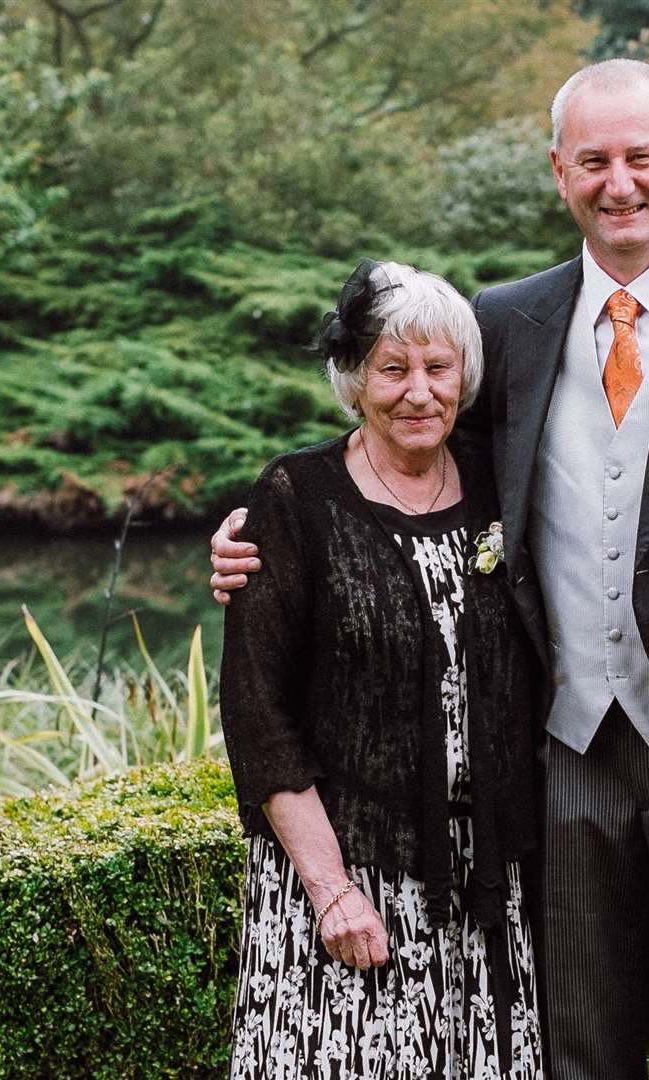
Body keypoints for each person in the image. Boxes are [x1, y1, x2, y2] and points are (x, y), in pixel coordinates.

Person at [215, 59, 649, 1078]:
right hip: (556, 748)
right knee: (569, 1038)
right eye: (594, 161)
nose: (620, 183)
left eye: (640, 159)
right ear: (559, 173)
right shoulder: (506, 324)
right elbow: (419, 457)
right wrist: (259, 533)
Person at [219, 259, 544, 1078]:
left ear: (464, 376)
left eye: (438, 368)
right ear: (353, 379)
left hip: (488, 881)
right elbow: (256, 711)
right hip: (349, 875)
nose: (418, 391)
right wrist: (329, 889)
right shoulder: (299, 495)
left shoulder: (505, 480)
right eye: (391, 370)